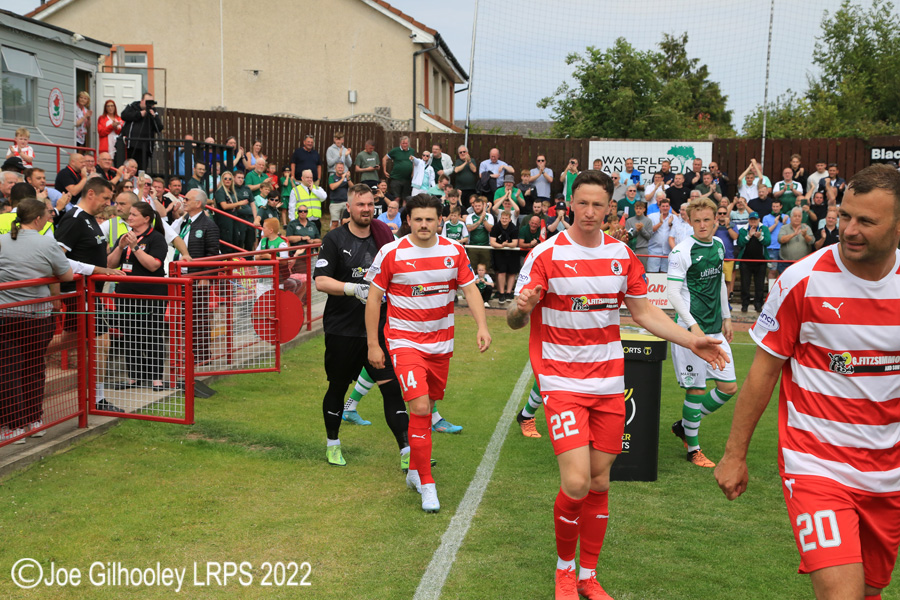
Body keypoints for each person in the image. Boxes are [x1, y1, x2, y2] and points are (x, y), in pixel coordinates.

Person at [508, 170, 729, 600]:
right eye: (583, 203)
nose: (590, 212)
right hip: (562, 381)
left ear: (610, 207)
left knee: (600, 483)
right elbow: (517, 321)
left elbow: (644, 314)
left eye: (598, 205)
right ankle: (564, 572)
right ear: (570, 203)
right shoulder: (545, 255)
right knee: (575, 483)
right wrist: (521, 308)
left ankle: (589, 576)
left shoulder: (622, 255)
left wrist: (692, 339)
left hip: (609, 384)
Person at [715, 163, 900, 600]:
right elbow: (763, 372)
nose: (849, 230)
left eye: (866, 221)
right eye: (846, 215)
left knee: (871, 589)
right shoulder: (804, 280)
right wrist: (734, 454)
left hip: (888, 473)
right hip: (816, 465)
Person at [365, 193, 491, 512]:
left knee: (427, 406)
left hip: (440, 345)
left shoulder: (454, 251)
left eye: (430, 219)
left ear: (440, 221)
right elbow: (373, 300)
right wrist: (373, 344)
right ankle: (427, 484)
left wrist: (482, 326)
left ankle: (413, 471)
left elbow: (470, 289)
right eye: (418, 218)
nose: (424, 224)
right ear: (408, 220)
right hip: (404, 342)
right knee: (420, 407)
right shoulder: (390, 252)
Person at [313, 183, 411, 468]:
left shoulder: (383, 238)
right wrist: (353, 289)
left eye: (370, 204)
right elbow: (321, 281)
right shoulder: (334, 239)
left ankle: (407, 452)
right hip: (342, 330)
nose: (366, 209)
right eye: (361, 205)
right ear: (349, 206)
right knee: (338, 388)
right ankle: (333, 443)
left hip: (378, 331)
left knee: (392, 389)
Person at [667, 197, 738, 468]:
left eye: (707, 219)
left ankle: (685, 425)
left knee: (728, 387)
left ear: (716, 219)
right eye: (697, 220)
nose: (702, 225)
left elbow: (720, 282)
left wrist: (727, 317)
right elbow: (673, 293)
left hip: (714, 330)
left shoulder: (719, 245)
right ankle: (693, 449)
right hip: (690, 333)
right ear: (689, 220)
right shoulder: (681, 252)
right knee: (696, 390)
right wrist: (694, 330)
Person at [0, 198, 74, 442]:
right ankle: (33, 420)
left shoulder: (3, 240)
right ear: (38, 219)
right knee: (33, 367)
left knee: (9, 370)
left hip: (7, 314)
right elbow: (66, 275)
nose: (50, 218)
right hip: (36, 317)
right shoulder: (47, 243)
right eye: (48, 215)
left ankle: (15, 426)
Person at [55, 177, 123, 412]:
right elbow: (58, 258)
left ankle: (32, 350)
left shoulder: (91, 219)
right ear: (91, 193)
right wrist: (96, 269)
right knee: (101, 343)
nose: (108, 203)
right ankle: (97, 399)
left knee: (72, 340)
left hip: (90, 293)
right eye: (105, 198)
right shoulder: (73, 219)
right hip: (78, 293)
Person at [106, 201, 169, 391]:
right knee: (130, 335)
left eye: (134, 215)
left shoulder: (156, 238)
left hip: (151, 295)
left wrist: (135, 247)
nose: (129, 217)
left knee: (152, 335)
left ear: (146, 219)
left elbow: (153, 265)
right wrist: (120, 247)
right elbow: (109, 264)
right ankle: (134, 376)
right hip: (126, 294)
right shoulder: (124, 236)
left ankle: (156, 378)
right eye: (130, 214)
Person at [171, 190, 220, 365]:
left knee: (198, 317)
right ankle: (190, 352)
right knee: (185, 317)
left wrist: (205, 276)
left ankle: (201, 355)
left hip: (197, 280)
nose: (183, 201)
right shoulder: (184, 222)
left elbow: (212, 253)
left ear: (198, 203)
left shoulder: (209, 225)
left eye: (187, 199)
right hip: (181, 277)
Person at [735, 212, 770, 313]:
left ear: (759, 220)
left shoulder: (765, 229)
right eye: (751, 220)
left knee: (759, 285)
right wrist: (749, 236)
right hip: (746, 262)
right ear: (748, 220)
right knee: (745, 285)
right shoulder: (743, 230)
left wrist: (760, 237)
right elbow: (740, 243)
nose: (753, 222)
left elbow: (768, 242)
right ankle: (745, 304)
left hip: (761, 261)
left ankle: (758, 304)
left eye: (755, 220)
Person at [121, 93, 163, 171]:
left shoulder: (153, 112)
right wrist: (140, 114)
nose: (149, 104)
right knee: (128, 168)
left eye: (151, 102)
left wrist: (154, 116)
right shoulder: (132, 107)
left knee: (141, 171)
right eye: (147, 102)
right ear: (142, 101)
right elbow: (124, 115)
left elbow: (159, 127)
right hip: (130, 145)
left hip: (144, 148)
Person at [490, 210, 520, 303]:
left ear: (510, 219)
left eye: (506, 218)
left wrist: (506, 245)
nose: (504, 220)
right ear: (500, 218)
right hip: (499, 252)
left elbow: (515, 243)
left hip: (512, 253)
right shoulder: (495, 227)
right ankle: (501, 293)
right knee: (501, 272)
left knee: (511, 273)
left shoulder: (514, 228)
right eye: (502, 218)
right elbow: (492, 242)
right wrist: (501, 246)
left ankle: (508, 293)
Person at [714, 205, 739, 300]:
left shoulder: (732, 225)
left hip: (728, 257)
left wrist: (727, 226)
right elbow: (709, 237)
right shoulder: (713, 225)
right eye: (720, 213)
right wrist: (716, 226)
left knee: (728, 281)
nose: (722, 215)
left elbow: (735, 237)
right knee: (715, 281)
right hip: (715, 257)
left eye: (724, 213)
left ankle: (726, 302)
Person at [647, 198, 674, 273]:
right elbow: (650, 230)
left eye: (667, 206)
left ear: (669, 207)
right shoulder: (652, 216)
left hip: (668, 251)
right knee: (652, 273)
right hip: (654, 250)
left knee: (665, 274)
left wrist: (670, 224)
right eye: (663, 206)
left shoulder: (674, 217)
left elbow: (676, 234)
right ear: (659, 207)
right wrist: (660, 223)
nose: (665, 208)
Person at [625, 200, 652, 269]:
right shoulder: (629, 221)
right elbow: (628, 236)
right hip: (631, 249)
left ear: (644, 209)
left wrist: (642, 229)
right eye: (637, 208)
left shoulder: (648, 221)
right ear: (634, 209)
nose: (638, 210)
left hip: (643, 249)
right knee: (631, 270)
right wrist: (636, 231)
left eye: (640, 208)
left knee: (642, 270)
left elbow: (649, 237)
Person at [328, 162, 352, 230]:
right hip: (335, 203)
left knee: (344, 222)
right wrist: (342, 179)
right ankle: (332, 239)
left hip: (345, 202)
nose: (340, 169)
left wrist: (348, 179)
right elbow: (332, 187)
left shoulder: (346, 177)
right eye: (339, 168)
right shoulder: (332, 177)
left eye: (341, 168)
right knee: (335, 223)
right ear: (335, 169)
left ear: (344, 169)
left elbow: (352, 188)